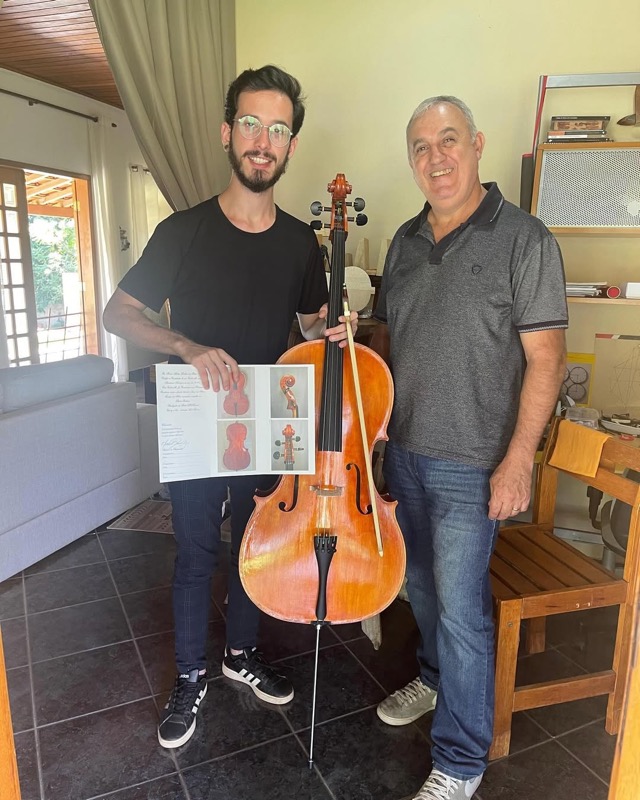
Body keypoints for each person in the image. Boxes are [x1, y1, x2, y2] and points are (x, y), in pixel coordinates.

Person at [103, 64, 354, 749]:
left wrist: (331, 330)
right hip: (196, 412)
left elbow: (306, 328)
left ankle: (239, 658)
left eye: (278, 128)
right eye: (251, 123)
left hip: (268, 415)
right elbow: (117, 314)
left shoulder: (303, 244)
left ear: (290, 145)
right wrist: (184, 343)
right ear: (227, 133)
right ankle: (190, 675)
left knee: (255, 545)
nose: (262, 140)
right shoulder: (182, 232)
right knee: (193, 552)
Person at [371, 96, 567, 800]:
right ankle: (432, 678)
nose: (436, 157)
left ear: (477, 144)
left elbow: (546, 360)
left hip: (474, 465)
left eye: (448, 140)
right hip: (406, 456)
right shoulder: (401, 242)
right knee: (418, 588)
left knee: (461, 608)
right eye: (421, 146)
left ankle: (459, 762)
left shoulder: (526, 239)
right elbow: (389, 342)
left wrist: (519, 460)